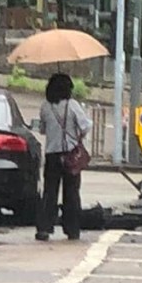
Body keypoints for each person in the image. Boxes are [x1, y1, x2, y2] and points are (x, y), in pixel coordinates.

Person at [36, 73, 92, 242]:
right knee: (72, 193)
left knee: (50, 192)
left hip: (52, 155)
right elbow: (86, 126)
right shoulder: (72, 105)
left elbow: (42, 130)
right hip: (71, 155)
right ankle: (72, 229)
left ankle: (44, 228)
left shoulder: (45, 107)